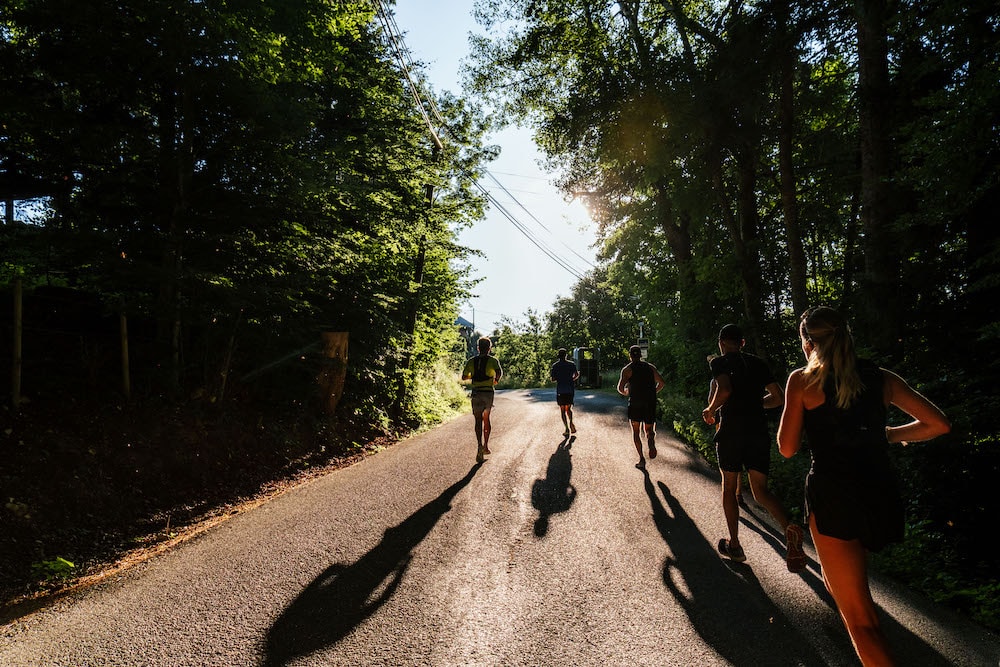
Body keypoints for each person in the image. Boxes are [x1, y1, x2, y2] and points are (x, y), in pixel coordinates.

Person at [778, 306, 950, 666]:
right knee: (840, 592)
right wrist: (886, 435)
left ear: (809, 343)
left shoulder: (802, 380)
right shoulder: (880, 377)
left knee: (861, 622)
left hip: (834, 499)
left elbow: (788, 447)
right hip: (879, 493)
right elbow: (937, 424)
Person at [702, 324, 806, 571]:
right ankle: (790, 527)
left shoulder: (720, 362)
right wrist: (754, 404)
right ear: (743, 342)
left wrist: (710, 409)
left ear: (721, 342)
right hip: (758, 433)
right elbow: (778, 397)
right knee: (760, 491)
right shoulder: (758, 364)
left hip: (731, 433)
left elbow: (724, 389)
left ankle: (735, 545)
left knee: (729, 488)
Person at [617, 345, 665, 469]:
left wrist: (627, 392)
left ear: (630, 355)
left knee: (636, 431)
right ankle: (651, 441)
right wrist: (653, 392)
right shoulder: (650, 367)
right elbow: (662, 382)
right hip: (650, 402)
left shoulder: (627, 369)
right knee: (649, 428)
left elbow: (620, 388)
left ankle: (642, 459)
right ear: (641, 355)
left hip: (635, 403)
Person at [461, 336, 503, 463]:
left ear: (478, 348)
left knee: (478, 420)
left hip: (476, 393)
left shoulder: (471, 361)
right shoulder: (493, 360)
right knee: (486, 418)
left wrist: (472, 376)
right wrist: (495, 380)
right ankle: (486, 446)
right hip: (488, 393)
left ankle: (479, 445)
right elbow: (499, 372)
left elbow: (464, 377)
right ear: (489, 348)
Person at [550, 348, 580, 436]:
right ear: (566, 355)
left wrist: (559, 378)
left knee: (562, 410)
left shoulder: (555, 366)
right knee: (569, 409)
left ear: (559, 356)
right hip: (570, 390)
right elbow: (577, 375)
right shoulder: (571, 364)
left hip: (561, 390)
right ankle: (571, 422)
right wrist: (572, 379)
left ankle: (566, 428)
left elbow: (553, 379)